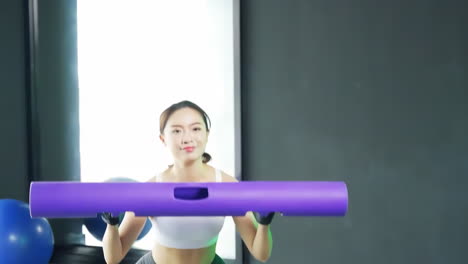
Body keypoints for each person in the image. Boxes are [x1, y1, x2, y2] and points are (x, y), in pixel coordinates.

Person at [101, 100, 275, 264]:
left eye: (196, 129)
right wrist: (112, 224)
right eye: (177, 131)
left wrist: (264, 224)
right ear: (163, 139)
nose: (187, 138)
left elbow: (261, 253)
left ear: (207, 134)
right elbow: (113, 257)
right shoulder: (151, 189)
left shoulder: (227, 186)